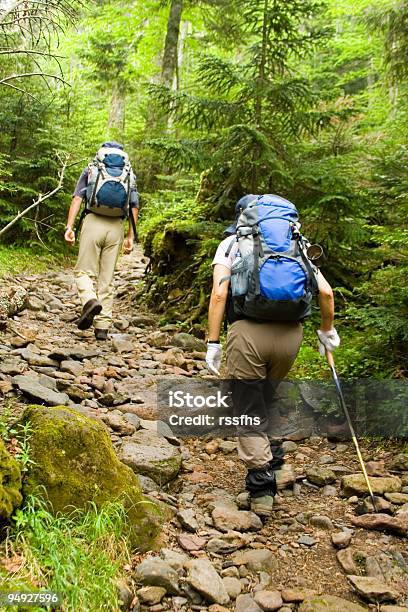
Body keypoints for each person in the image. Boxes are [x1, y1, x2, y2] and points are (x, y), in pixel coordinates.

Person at [205, 194, 340, 517]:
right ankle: (276, 460)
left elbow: (220, 293)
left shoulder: (232, 244)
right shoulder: (297, 242)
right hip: (291, 334)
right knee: (267, 394)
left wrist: (213, 342)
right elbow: (325, 292)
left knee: (247, 407)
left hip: (248, 331)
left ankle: (262, 487)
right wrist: (326, 331)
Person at [64, 141, 139, 340]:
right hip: (116, 227)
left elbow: (77, 199)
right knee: (107, 278)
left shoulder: (92, 169)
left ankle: (89, 300)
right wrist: (131, 236)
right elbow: (133, 206)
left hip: (93, 221)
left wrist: (69, 227)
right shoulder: (129, 174)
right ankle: (102, 327)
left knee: (82, 271)